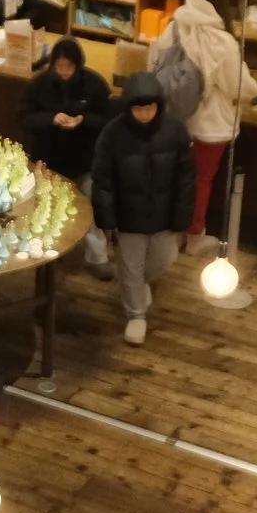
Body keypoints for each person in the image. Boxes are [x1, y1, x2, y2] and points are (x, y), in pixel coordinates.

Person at [89, 72, 195, 343]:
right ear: (129, 108)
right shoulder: (112, 135)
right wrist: (107, 218)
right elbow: (103, 181)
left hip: (165, 215)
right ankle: (136, 314)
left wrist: (183, 215)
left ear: (159, 105)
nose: (145, 113)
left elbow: (186, 177)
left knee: (163, 260)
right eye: (139, 108)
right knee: (132, 266)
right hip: (128, 217)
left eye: (150, 107)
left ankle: (133, 286)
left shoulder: (175, 130)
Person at [162, 0, 257, 247]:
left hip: (173, 118)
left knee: (173, 176)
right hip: (210, 124)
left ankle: (169, 233)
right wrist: (256, 89)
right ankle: (194, 235)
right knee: (201, 179)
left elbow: (156, 63)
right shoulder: (222, 40)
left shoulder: (174, 27)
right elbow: (238, 84)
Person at [16, 40, 112, 215]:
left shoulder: (94, 84)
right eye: (59, 66)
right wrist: (51, 119)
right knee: (45, 213)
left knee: (85, 213)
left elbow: (107, 119)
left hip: (83, 165)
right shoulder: (39, 85)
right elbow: (24, 117)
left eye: (69, 66)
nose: (64, 71)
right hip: (47, 164)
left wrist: (83, 119)